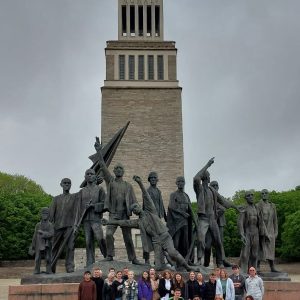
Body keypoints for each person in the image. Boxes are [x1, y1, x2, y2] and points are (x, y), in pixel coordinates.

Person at [102, 175, 200, 272]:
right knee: (158, 267)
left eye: (136, 207)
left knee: (172, 252)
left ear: (140, 207)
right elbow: (123, 222)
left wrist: (140, 183)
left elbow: (146, 195)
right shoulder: (138, 222)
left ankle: (188, 267)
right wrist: (108, 222)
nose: (135, 210)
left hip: (164, 237)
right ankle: (167, 267)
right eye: (134, 210)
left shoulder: (151, 210)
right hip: (156, 242)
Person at [95, 142, 140, 265]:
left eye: (121, 168)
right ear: (114, 171)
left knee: (128, 238)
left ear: (123, 171)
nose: (119, 170)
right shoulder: (111, 182)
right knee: (109, 234)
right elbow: (103, 166)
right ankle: (110, 255)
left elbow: (134, 202)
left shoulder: (128, 186)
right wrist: (99, 152)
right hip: (113, 214)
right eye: (117, 168)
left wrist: (136, 208)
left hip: (124, 215)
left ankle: (133, 258)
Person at [193, 158, 240, 267]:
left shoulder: (212, 191)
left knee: (218, 242)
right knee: (200, 240)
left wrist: (235, 207)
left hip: (212, 219)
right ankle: (200, 260)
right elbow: (196, 178)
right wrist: (207, 165)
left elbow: (224, 201)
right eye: (206, 176)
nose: (207, 177)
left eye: (207, 176)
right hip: (203, 219)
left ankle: (220, 263)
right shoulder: (199, 189)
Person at [78, 169, 107, 267]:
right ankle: (90, 262)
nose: (89, 175)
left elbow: (105, 204)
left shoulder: (99, 189)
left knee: (100, 239)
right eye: (87, 174)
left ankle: (107, 256)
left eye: (92, 174)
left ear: (95, 176)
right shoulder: (82, 191)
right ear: (85, 177)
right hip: (86, 220)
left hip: (96, 218)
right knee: (88, 242)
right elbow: (78, 207)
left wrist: (93, 206)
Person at [49, 178, 78, 273]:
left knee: (70, 247)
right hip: (57, 227)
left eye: (69, 183)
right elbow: (51, 215)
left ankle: (70, 266)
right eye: (65, 183)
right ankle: (51, 267)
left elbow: (77, 212)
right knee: (54, 247)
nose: (67, 184)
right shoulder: (56, 199)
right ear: (61, 184)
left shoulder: (74, 197)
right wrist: (50, 227)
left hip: (70, 227)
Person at [204, 181, 232, 268]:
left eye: (216, 185)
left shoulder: (221, 198)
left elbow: (225, 206)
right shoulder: (207, 197)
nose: (215, 187)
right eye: (213, 185)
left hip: (220, 223)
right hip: (209, 224)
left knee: (219, 243)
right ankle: (206, 262)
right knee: (208, 244)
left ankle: (220, 262)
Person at [167, 176, 195, 259]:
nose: (180, 183)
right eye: (178, 181)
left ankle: (186, 260)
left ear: (184, 183)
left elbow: (190, 209)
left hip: (185, 222)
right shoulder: (173, 194)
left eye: (182, 181)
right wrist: (182, 213)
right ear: (176, 183)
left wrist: (195, 221)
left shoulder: (186, 195)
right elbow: (171, 207)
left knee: (186, 241)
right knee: (176, 241)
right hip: (176, 222)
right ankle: (175, 260)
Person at [143, 171, 167, 265]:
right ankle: (146, 260)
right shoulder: (147, 191)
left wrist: (165, 217)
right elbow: (145, 205)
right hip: (150, 217)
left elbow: (162, 205)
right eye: (151, 178)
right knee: (147, 239)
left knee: (161, 239)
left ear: (157, 180)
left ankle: (159, 259)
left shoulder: (158, 191)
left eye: (154, 178)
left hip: (158, 218)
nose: (153, 179)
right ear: (149, 180)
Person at [238, 192, 262, 273]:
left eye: (252, 195)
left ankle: (253, 272)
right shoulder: (244, 207)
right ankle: (244, 272)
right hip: (247, 232)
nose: (251, 197)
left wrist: (264, 233)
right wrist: (242, 234)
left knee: (255, 255)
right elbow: (240, 222)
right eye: (248, 196)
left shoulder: (256, 208)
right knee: (245, 254)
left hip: (256, 232)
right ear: (246, 198)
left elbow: (261, 222)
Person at [256, 189, 279, 272]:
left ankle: (272, 267)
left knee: (271, 249)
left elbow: (275, 220)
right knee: (260, 248)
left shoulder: (272, 206)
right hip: (261, 230)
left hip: (271, 230)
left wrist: (276, 232)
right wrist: (263, 231)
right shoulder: (258, 205)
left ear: (268, 195)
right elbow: (258, 219)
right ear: (261, 195)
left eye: (266, 193)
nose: (264, 194)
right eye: (262, 193)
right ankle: (257, 266)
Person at [29, 207, 54, 274]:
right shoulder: (38, 225)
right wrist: (33, 245)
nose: (44, 215)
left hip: (47, 244)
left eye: (46, 213)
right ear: (41, 214)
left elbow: (51, 234)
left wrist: (43, 233)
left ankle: (48, 270)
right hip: (39, 244)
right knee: (37, 258)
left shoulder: (50, 225)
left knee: (48, 258)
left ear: (48, 215)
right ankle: (36, 270)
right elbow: (34, 236)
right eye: (43, 213)